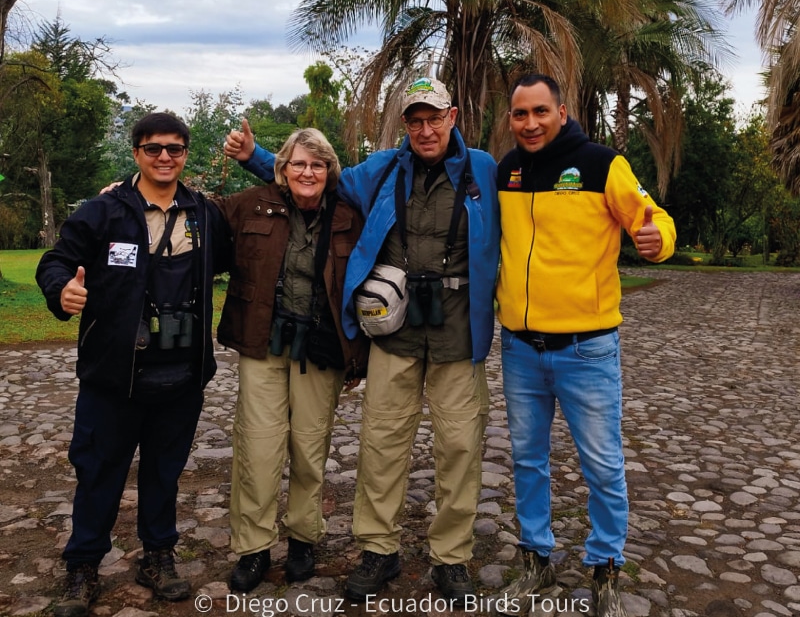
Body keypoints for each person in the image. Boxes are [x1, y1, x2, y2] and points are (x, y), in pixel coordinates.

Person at [224, 77, 500, 606]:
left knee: (461, 446)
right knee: (381, 444)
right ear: (405, 125)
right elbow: (315, 181)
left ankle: (451, 556)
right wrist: (255, 156)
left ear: (452, 117)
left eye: (434, 118)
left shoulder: (484, 170)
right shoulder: (382, 169)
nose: (425, 130)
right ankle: (378, 548)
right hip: (394, 331)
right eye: (415, 121)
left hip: (459, 329)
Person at [492, 74, 676, 617]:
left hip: (587, 349)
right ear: (511, 119)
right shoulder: (508, 171)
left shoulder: (601, 164)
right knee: (527, 460)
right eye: (520, 114)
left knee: (602, 465)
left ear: (562, 111)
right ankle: (536, 560)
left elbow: (656, 219)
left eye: (540, 111)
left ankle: (605, 569)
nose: (530, 123)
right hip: (521, 347)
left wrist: (658, 241)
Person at [36, 113, 231, 617]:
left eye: (174, 148)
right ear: (136, 153)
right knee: (99, 472)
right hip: (114, 374)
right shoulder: (103, 212)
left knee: (165, 473)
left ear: (186, 153)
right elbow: (55, 261)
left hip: (182, 373)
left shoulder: (205, 215)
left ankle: (158, 556)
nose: (164, 157)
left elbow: (245, 247)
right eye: (153, 148)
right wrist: (62, 289)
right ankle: (82, 566)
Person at [213, 128, 369, 592]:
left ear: (329, 172)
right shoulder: (251, 204)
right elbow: (197, 213)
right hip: (263, 344)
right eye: (298, 163)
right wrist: (129, 194)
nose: (307, 172)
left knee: (309, 448)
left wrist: (357, 356)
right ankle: (254, 546)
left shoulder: (349, 215)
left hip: (320, 349)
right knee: (257, 448)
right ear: (282, 168)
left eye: (317, 165)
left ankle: (303, 538)